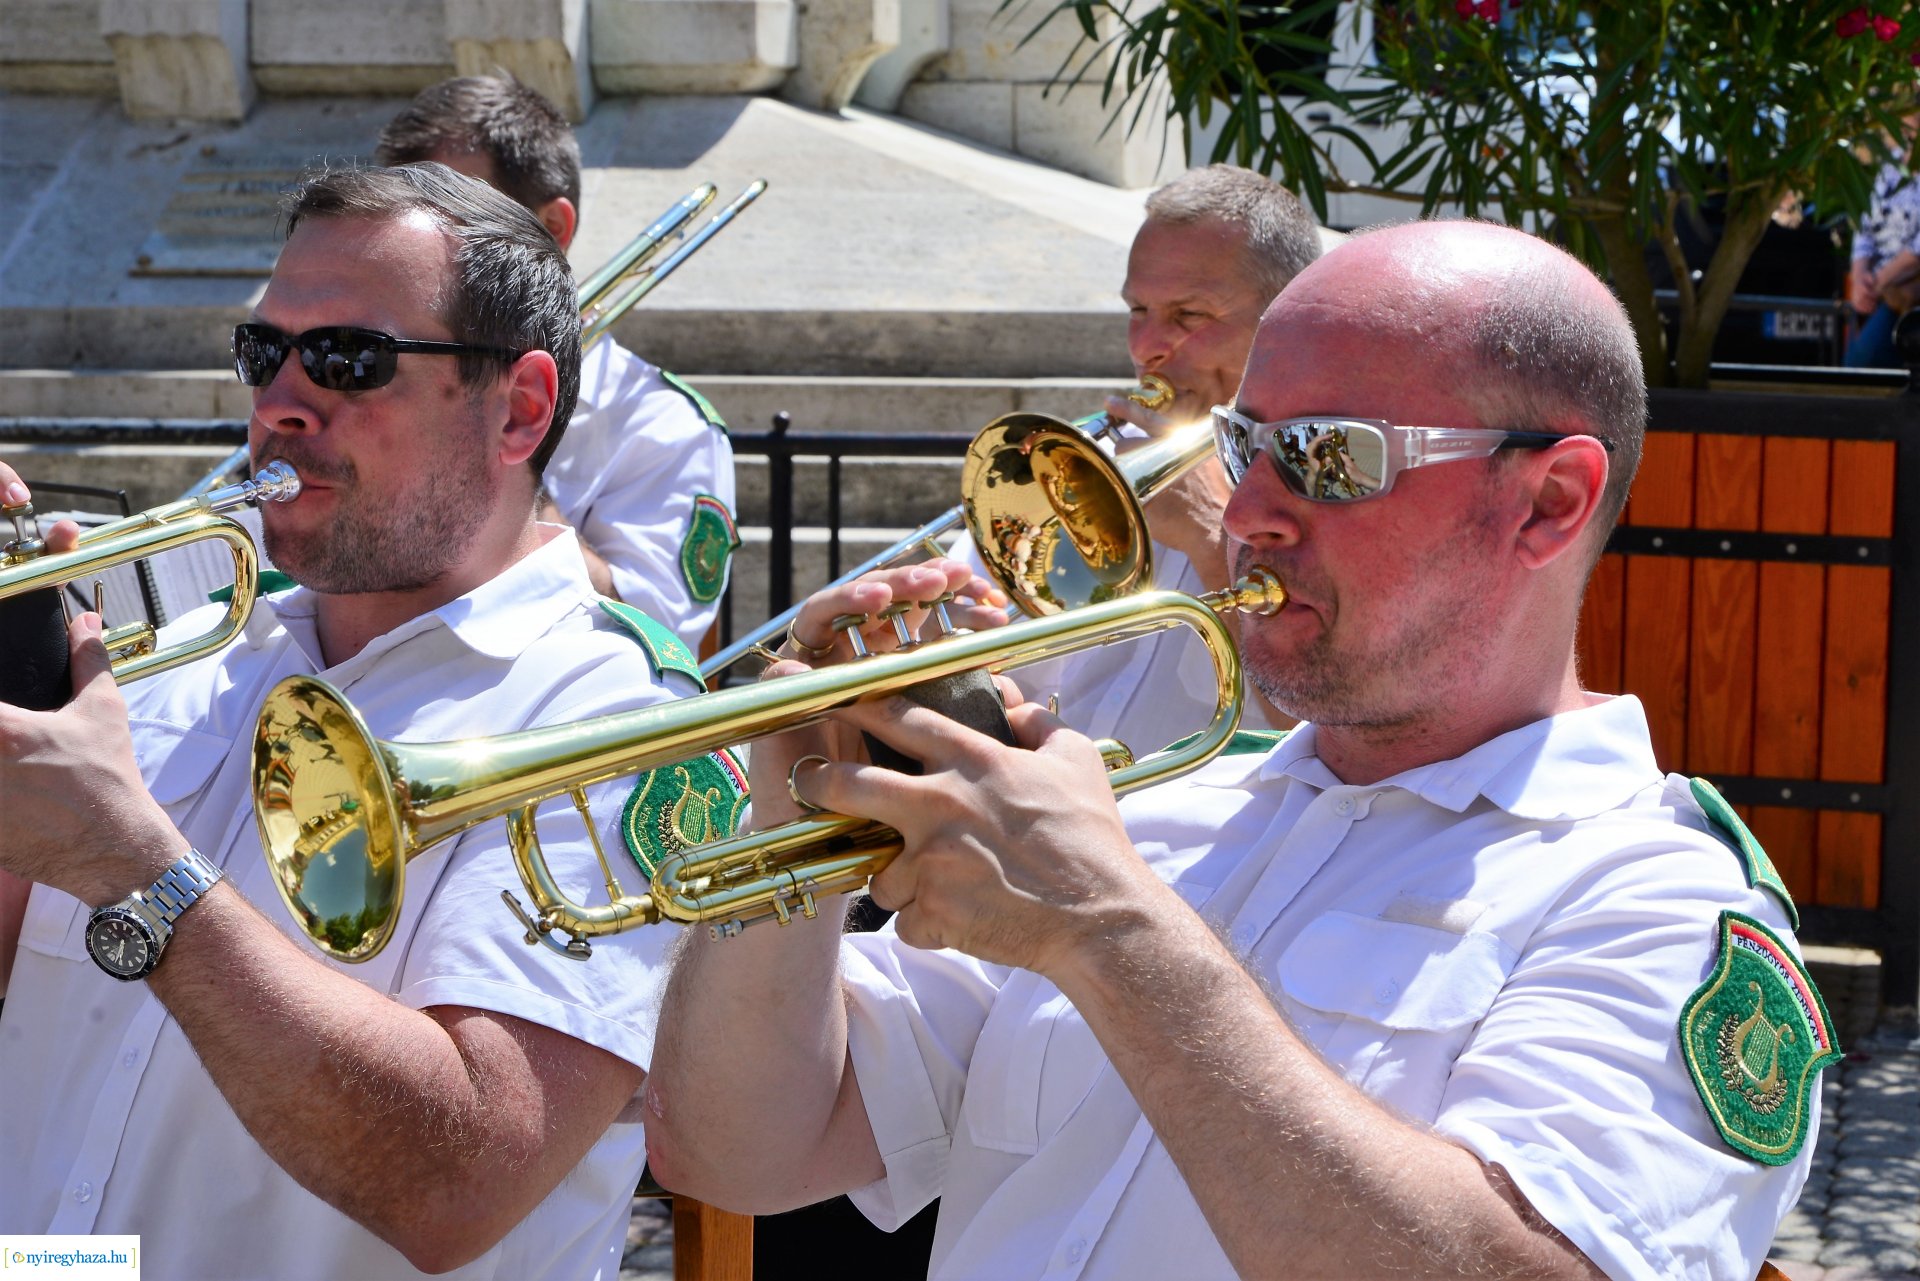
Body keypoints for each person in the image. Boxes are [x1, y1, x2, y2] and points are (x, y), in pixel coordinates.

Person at [643, 221, 1834, 1280]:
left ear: (1549, 502)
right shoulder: (1148, 813)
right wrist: (791, 817)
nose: (1251, 504)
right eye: (1249, 442)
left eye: (1327, 455)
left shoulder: (1656, 900)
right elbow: (735, 1149)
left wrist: (1110, 931)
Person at [0, 164, 724, 1279]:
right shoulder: (189, 645)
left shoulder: (619, 715)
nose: (283, 401)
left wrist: (130, 861)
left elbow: (458, 1182)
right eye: (264, 353)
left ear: (520, 408)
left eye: (349, 359)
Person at [961, 164, 1322, 757]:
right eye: (1137, 310)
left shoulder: (1338, 485)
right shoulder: (1077, 461)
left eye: (1189, 316)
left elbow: (1333, 732)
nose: (1146, 347)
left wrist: (1214, 537)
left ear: (1286, 319)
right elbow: (1017, 689)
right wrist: (953, 643)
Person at [378, 74, 739, 651]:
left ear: (552, 229)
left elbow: (659, 635)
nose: (412, 247)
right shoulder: (379, 378)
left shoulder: (662, 423)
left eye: (455, 218)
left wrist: (503, 461)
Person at [1845, 107, 1920, 369]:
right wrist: (1859, 278)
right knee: (1853, 369)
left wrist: (1874, 285)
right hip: (1875, 289)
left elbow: (1916, 252)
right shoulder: (1891, 168)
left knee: (1862, 362)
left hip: (1903, 292)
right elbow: (1865, 226)